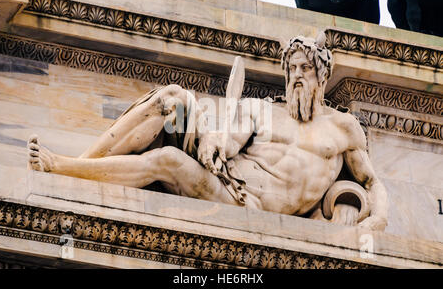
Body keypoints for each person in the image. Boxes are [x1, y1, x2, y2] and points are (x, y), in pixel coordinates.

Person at [28, 33, 388, 231]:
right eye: (291, 68)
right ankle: (73, 170)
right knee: (172, 98)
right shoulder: (262, 110)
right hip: (230, 181)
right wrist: (215, 141)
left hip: (252, 206)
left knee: (167, 159)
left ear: (322, 75)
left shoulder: (344, 128)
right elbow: (229, 141)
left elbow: (371, 183)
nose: (296, 76)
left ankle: (61, 168)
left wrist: (379, 219)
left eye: (305, 68)